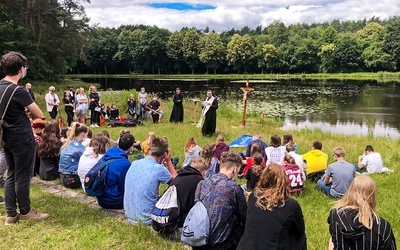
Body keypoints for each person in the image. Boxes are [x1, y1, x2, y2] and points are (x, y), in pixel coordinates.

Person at [1, 51, 49, 225]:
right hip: (21, 137)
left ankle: (11, 214)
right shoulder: (19, 90)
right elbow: (39, 113)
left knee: (12, 174)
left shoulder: (0, 86)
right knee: (23, 176)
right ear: (21, 69)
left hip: (5, 137)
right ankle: (26, 211)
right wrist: (26, 111)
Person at [237, 163, 306, 250]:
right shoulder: (291, 205)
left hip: (245, 246)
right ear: (284, 181)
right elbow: (300, 232)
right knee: (302, 236)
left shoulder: (254, 196)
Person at [193, 151, 246, 250]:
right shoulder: (233, 188)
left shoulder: (202, 183)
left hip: (198, 237)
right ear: (234, 170)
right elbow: (244, 215)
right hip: (220, 243)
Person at [328, 175, 396, 250]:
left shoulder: (335, 215)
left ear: (350, 191)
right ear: (373, 196)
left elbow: (334, 239)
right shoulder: (383, 226)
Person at [124, 137, 177, 224]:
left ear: (148, 149)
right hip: (146, 218)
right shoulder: (159, 169)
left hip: (130, 213)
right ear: (164, 153)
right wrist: (168, 160)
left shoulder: (135, 163)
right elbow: (177, 182)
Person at [163, 157, 210, 238]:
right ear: (200, 170)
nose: (205, 175)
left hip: (164, 219)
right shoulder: (198, 180)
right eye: (204, 172)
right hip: (174, 225)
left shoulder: (181, 175)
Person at [96, 133, 135, 209]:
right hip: (114, 201)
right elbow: (125, 186)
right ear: (131, 147)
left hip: (100, 197)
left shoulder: (107, 154)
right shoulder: (125, 164)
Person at [59, 122, 88, 189]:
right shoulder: (81, 149)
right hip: (74, 179)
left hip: (62, 176)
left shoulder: (66, 145)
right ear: (83, 134)